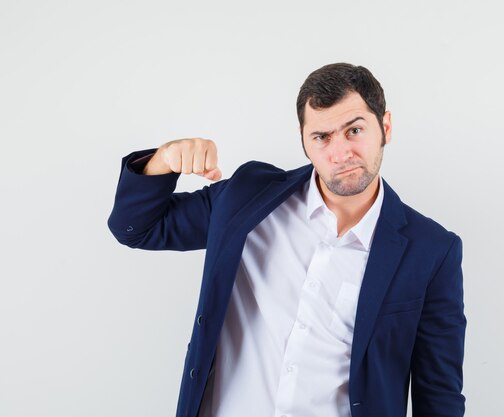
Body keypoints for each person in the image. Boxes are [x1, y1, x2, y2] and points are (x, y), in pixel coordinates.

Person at [107, 62, 466, 417]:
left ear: (385, 127)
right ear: (304, 142)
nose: (340, 154)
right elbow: (137, 227)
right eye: (322, 137)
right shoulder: (249, 197)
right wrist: (164, 159)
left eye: (354, 131)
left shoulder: (432, 251)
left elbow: (439, 396)